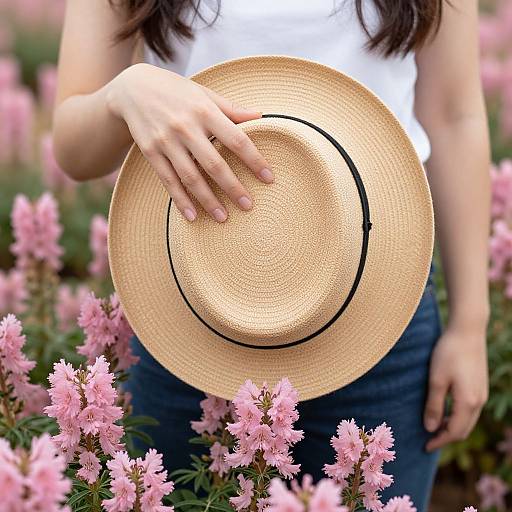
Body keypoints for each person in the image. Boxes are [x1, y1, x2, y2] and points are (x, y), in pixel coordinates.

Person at [52, 1, 490, 510]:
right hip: (193, 314)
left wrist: (470, 324)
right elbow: (73, 147)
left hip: (381, 312)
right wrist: (124, 92)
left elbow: (455, 117)